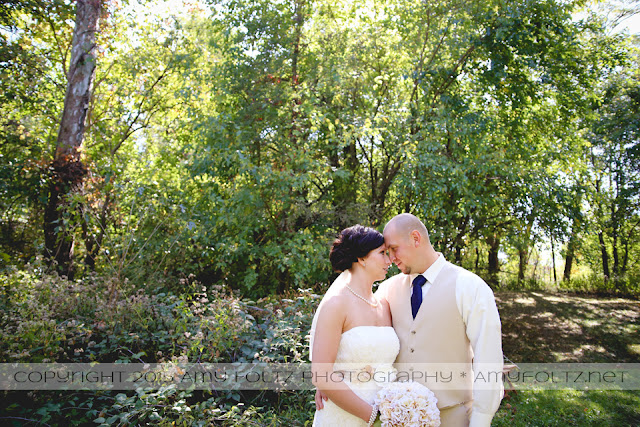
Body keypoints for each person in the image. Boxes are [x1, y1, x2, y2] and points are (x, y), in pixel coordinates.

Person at [316, 214, 504, 427]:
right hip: (396, 419)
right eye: (385, 252)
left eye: (394, 249)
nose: (391, 258)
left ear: (416, 238)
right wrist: (330, 381)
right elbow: (357, 339)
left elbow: (489, 358)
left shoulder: (469, 287)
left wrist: (481, 419)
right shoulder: (387, 290)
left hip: (454, 416)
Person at [310, 225, 399, 426]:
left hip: (387, 414)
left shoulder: (384, 305)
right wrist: (373, 416)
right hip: (345, 415)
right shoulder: (336, 305)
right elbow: (321, 375)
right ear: (361, 258)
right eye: (383, 253)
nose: (389, 260)